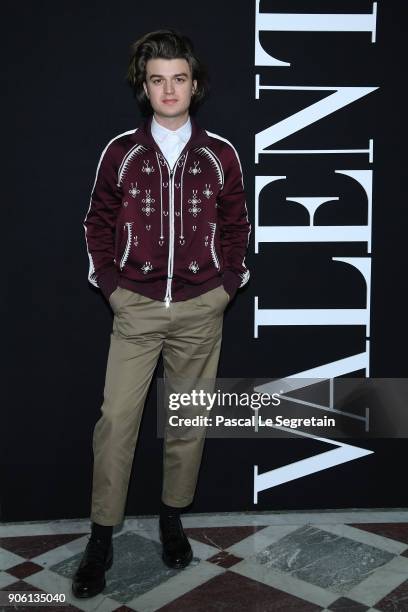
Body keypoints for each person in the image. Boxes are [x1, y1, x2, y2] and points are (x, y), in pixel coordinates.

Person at [72, 28, 251, 598]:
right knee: (117, 422)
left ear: (194, 86)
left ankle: (173, 518)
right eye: (157, 81)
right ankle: (103, 534)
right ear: (144, 88)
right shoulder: (121, 152)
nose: (168, 90)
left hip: (202, 307)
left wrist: (226, 285)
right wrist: (112, 285)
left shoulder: (220, 154)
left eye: (179, 79)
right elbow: (97, 223)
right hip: (137, 308)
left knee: (186, 423)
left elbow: (237, 226)